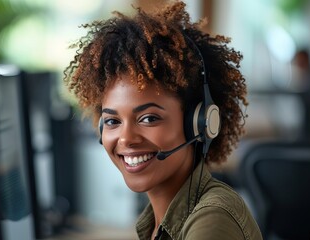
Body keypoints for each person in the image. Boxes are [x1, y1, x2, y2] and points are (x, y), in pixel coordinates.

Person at [64, 1, 262, 240]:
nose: (126, 138)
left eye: (148, 118)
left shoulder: (213, 219)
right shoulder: (156, 223)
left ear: (198, 123)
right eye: (112, 121)